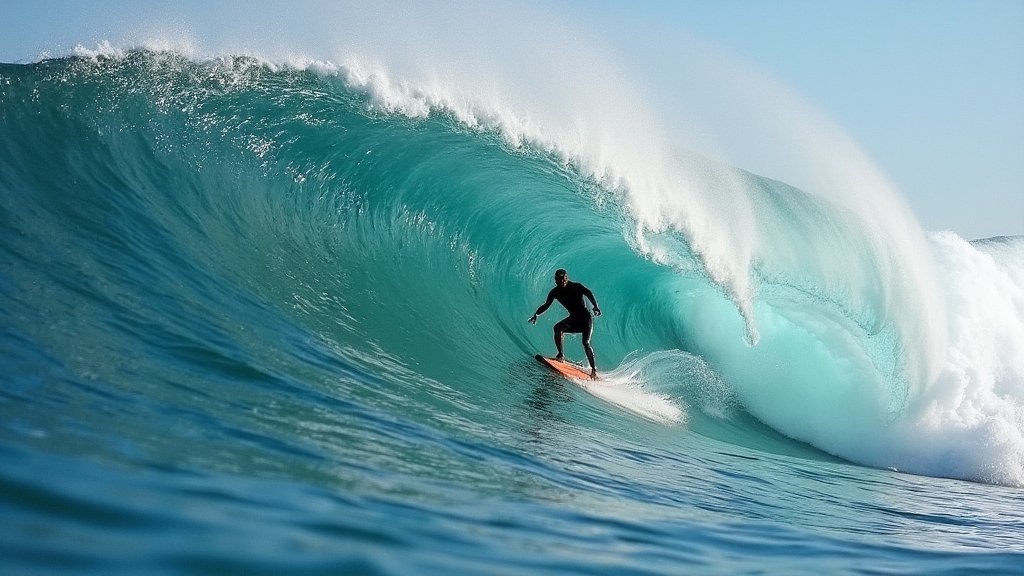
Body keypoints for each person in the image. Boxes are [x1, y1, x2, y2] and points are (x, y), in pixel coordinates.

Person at [529, 269, 602, 379]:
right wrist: (536, 314)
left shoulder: (576, 286)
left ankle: (593, 370)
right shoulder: (555, 292)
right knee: (557, 328)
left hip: (587, 318)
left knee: (586, 342)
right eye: (559, 279)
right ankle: (560, 355)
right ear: (555, 281)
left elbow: (588, 292)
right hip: (574, 318)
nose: (561, 281)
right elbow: (546, 305)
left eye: (563, 279)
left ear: (567, 278)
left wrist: (595, 306)